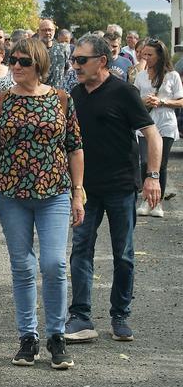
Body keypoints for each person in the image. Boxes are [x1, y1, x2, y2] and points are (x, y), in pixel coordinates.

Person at [0, 38, 84, 369]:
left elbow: (74, 147)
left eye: (23, 61)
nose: (16, 66)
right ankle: (28, 338)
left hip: (54, 193)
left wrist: (78, 192)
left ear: (39, 64)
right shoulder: (0, 101)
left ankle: (57, 336)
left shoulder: (61, 99)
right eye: (13, 60)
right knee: (22, 266)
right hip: (10, 194)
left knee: (54, 264)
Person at [64, 33, 162, 343]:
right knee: (80, 251)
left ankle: (120, 315)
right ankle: (79, 315)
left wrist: (153, 176)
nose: (75, 65)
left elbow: (152, 135)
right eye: (74, 60)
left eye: (82, 60)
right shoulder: (74, 95)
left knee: (124, 255)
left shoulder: (124, 93)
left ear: (102, 61)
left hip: (121, 187)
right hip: (86, 190)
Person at [134, 39, 182, 217]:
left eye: (149, 54)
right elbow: (132, 100)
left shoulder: (172, 76)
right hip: (145, 123)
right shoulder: (140, 75)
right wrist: (143, 101)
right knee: (146, 162)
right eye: (143, 54)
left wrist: (162, 101)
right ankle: (146, 199)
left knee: (161, 164)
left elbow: (181, 101)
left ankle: (157, 203)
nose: (145, 57)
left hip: (166, 123)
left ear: (160, 55)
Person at [38, 18, 69, 88]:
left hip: (58, 93)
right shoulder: (34, 50)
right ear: (38, 32)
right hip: (40, 93)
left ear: (54, 31)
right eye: (44, 30)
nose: (47, 33)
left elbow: (66, 68)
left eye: (50, 30)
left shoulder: (62, 49)